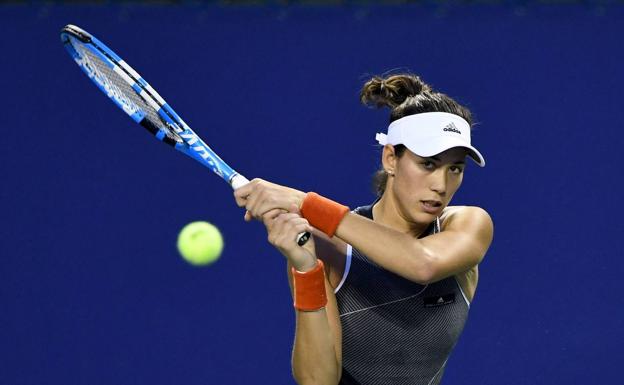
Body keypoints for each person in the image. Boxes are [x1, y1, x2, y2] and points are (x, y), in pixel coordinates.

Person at [234, 73, 494, 385]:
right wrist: (305, 269)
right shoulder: (327, 248)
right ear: (391, 159)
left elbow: (423, 263)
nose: (441, 185)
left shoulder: (468, 224)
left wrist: (307, 203)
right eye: (427, 163)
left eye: (455, 168)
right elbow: (318, 381)